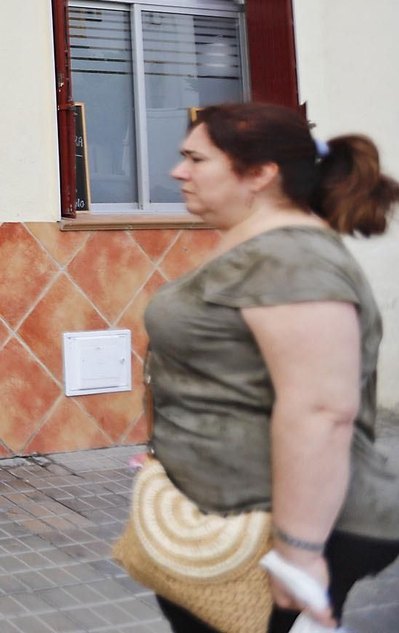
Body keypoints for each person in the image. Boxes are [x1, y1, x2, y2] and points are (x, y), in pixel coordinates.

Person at [144, 103, 399, 632]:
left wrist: (298, 556)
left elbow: (322, 409)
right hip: (239, 515)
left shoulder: (291, 258)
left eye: (196, 158)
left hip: (276, 530)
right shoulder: (266, 249)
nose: (178, 171)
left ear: (261, 174)